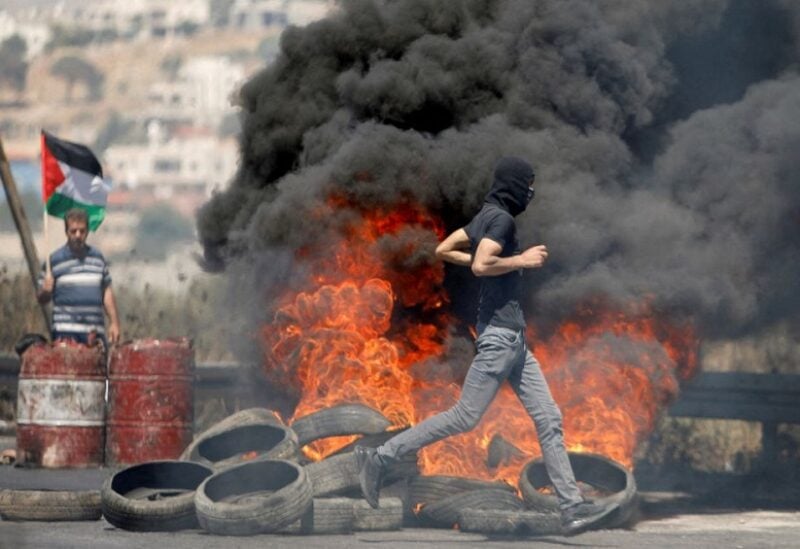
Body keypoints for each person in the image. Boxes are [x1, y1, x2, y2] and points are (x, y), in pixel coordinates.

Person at [355, 157, 618, 535]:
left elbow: (445, 249)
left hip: (515, 342)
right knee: (464, 417)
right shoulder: (501, 220)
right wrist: (520, 260)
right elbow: (481, 265)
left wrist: (493, 260)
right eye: (528, 184)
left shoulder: (485, 216)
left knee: (549, 418)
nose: (531, 191)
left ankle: (571, 508)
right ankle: (380, 458)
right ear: (513, 184)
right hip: (498, 337)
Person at [37, 208, 121, 349]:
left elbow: (106, 291)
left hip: (94, 335)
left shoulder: (97, 258)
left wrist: (114, 322)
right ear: (66, 232)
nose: (77, 235)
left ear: (87, 231)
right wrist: (46, 290)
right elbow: (41, 299)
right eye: (73, 231)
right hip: (65, 334)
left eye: (82, 231)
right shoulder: (54, 261)